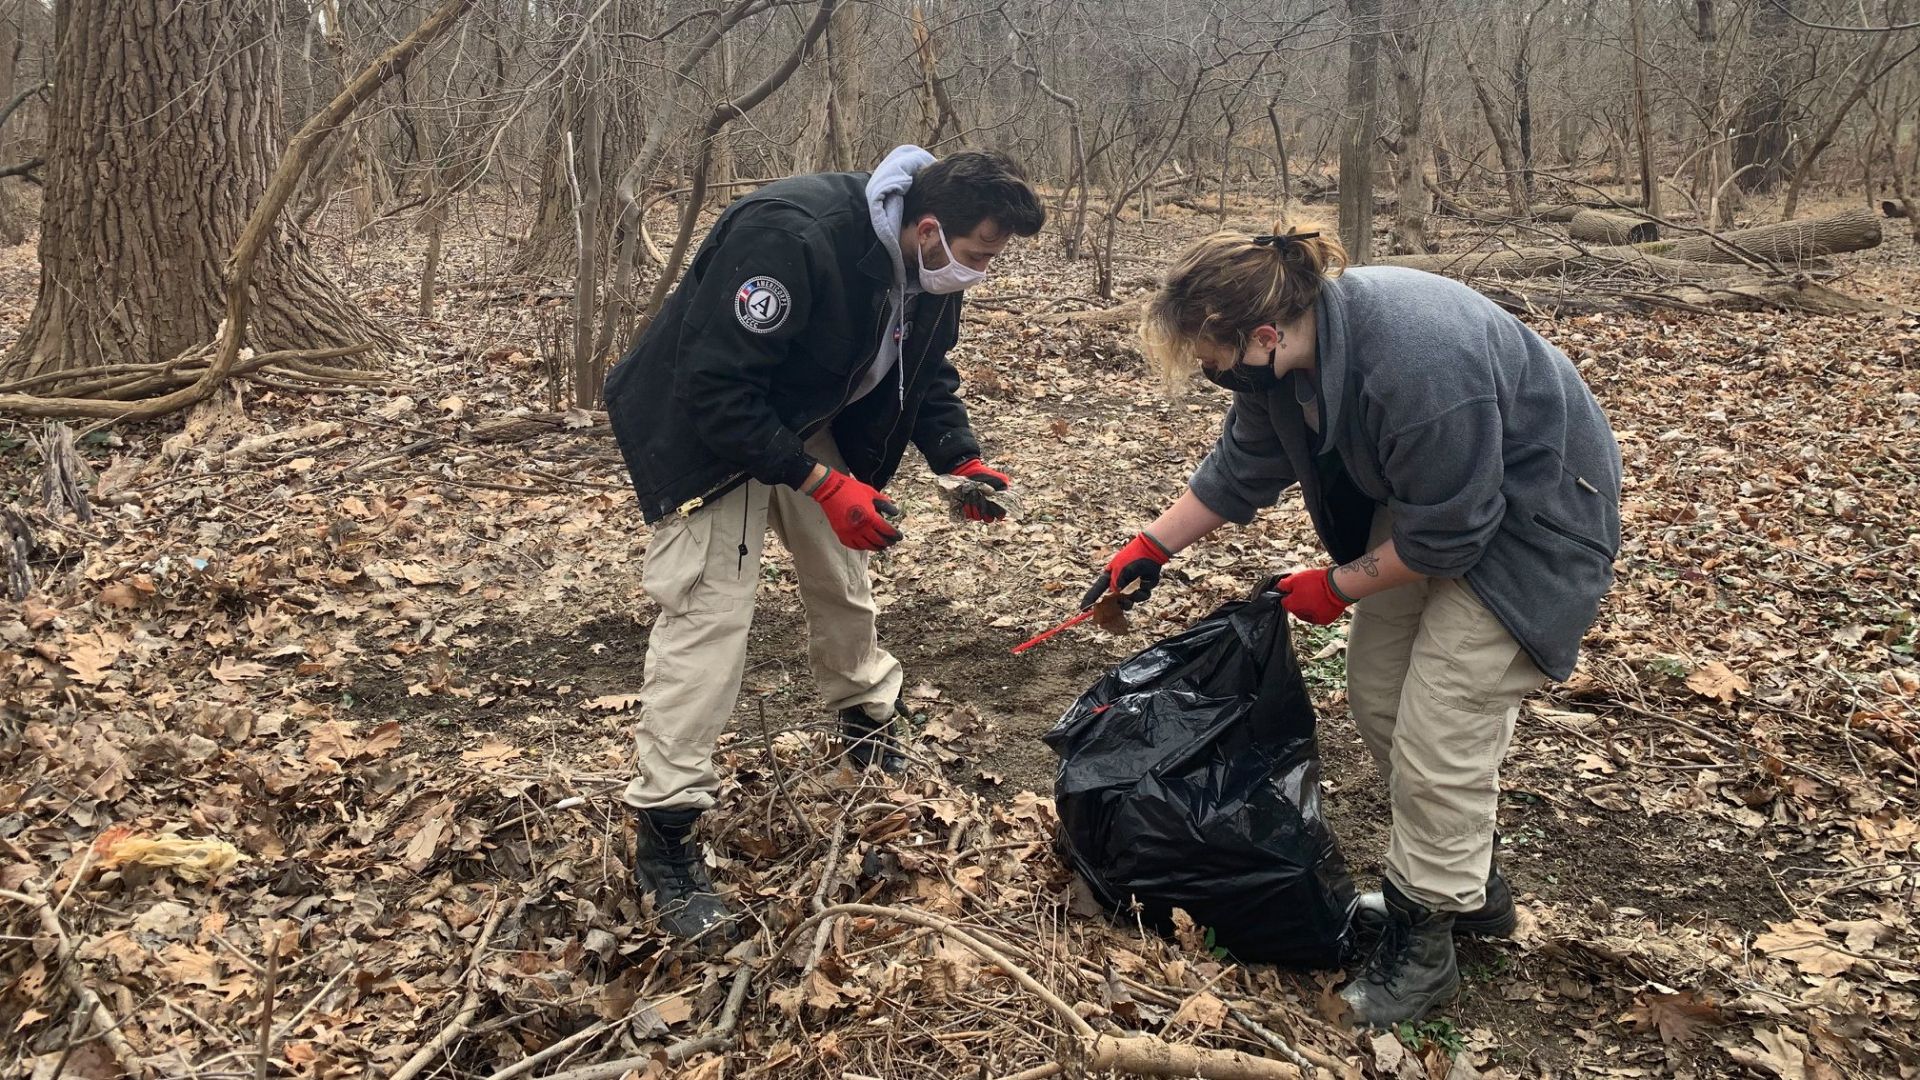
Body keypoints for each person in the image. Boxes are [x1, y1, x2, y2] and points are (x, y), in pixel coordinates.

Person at [1084, 227, 1620, 1027]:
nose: (1212, 373)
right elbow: (1241, 470)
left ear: (1264, 335)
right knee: (1378, 696)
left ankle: (1426, 942)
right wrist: (1150, 547)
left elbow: (1455, 534)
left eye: (1215, 358)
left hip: (1533, 523)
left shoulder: (1416, 354)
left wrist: (1335, 586)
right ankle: (1470, 889)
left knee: (1443, 728)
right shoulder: (1276, 370)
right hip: (1428, 506)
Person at [604, 147, 1045, 943]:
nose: (982, 272)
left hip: (804, 418)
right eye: (979, 254)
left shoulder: (931, 270)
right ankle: (665, 833)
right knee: (709, 616)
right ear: (930, 228)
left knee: (844, 576)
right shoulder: (792, 234)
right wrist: (822, 485)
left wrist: (959, 458)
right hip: (703, 427)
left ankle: (869, 725)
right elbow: (714, 390)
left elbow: (927, 369)